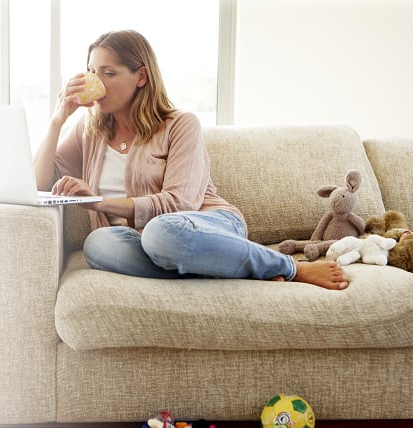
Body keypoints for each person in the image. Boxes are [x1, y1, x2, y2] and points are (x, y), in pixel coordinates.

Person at [34, 30, 348, 290]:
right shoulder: (89, 131)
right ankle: (226, 267)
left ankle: (288, 267)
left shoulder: (180, 124)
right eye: (91, 71)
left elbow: (176, 204)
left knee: (160, 233)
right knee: (98, 244)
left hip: (202, 227)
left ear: (140, 76)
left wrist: (99, 202)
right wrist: (57, 120)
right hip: (144, 242)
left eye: (108, 72)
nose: (96, 81)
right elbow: (38, 183)